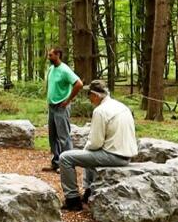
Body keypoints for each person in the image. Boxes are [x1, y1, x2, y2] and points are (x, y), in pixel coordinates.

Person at [58, 80, 137, 211]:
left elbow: (96, 143)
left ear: (95, 95)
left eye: (89, 95)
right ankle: (89, 191)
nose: (89, 98)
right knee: (88, 154)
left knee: (65, 158)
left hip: (114, 156)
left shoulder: (100, 111)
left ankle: (72, 199)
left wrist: (85, 149)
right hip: (126, 154)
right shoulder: (121, 106)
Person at [43, 47, 83, 172]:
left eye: (51, 55)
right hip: (52, 107)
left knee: (63, 137)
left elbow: (79, 84)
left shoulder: (65, 70)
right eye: (48, 55)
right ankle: (56, 162)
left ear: (58, 55)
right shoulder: (51, 69)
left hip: (61, 107)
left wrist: (68, 99)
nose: (49, 58)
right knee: (52, 136)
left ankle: (68, 164)